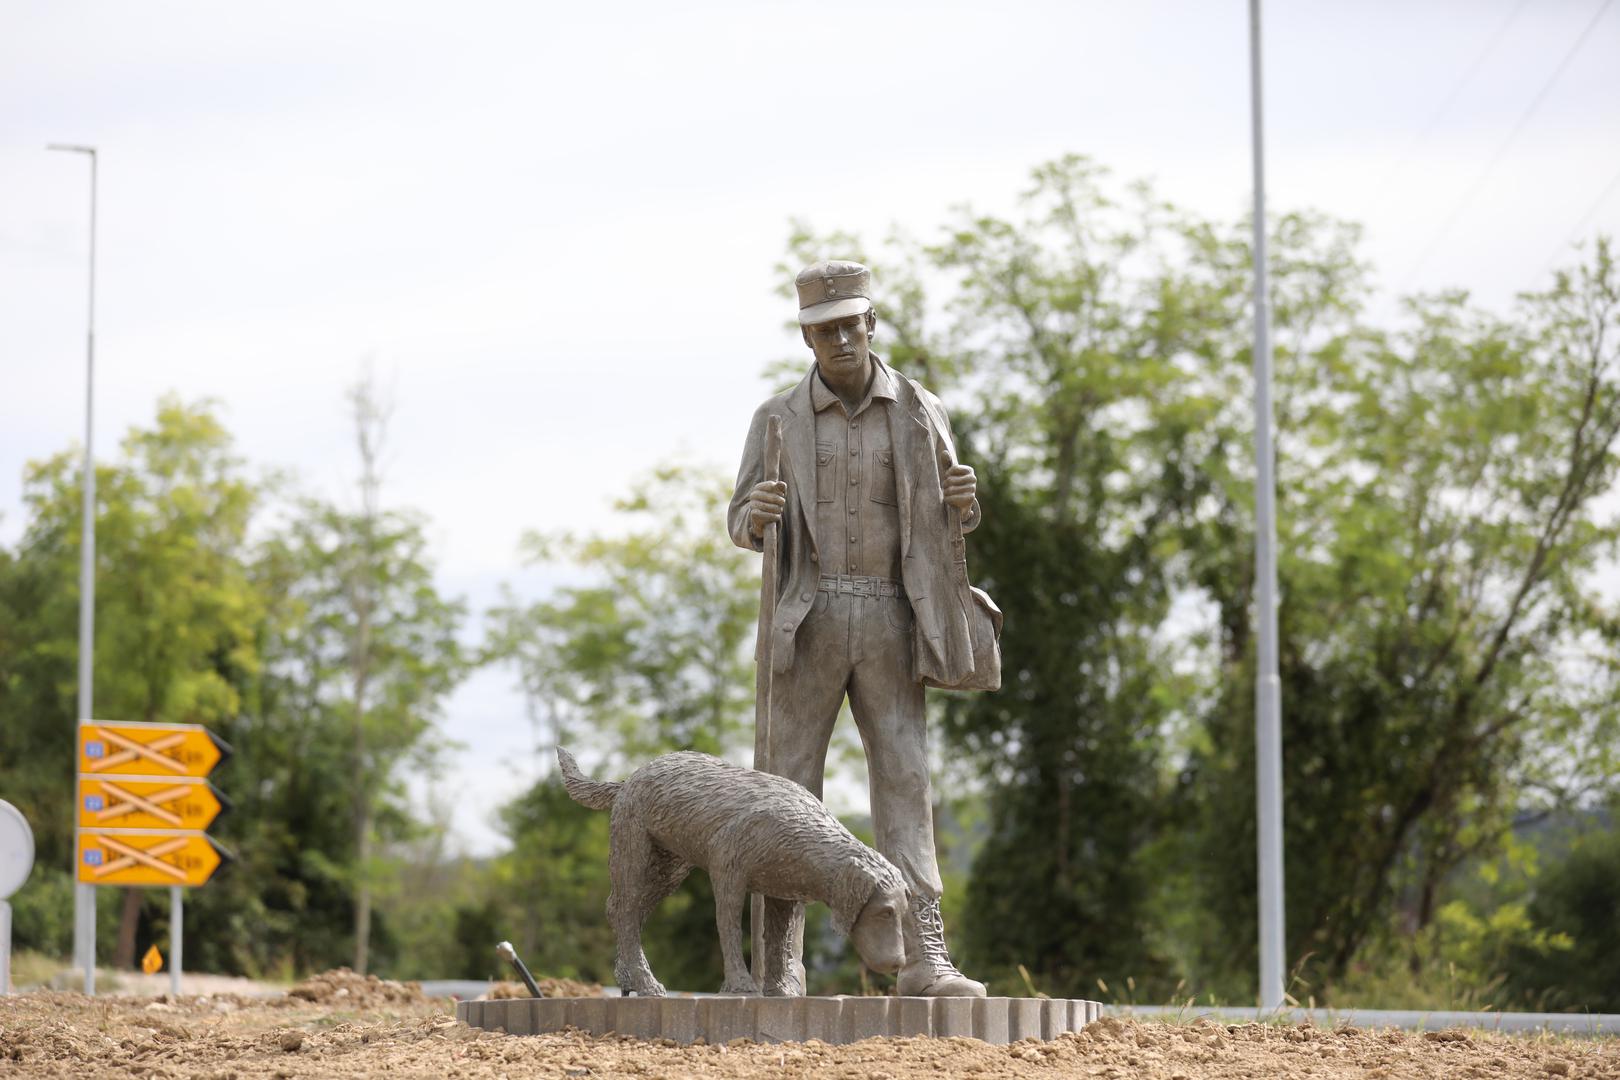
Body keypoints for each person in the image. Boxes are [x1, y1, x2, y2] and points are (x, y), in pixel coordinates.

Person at [728, 259, 989, 998]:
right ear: (807, 338)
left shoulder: (916, 408)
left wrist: (966, 505)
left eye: (851, 324)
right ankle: (780, 961)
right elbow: (737, 518)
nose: (841, 339)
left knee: (905, 782)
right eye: (824, 330)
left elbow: (948, 524)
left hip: (891, 616)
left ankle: (923, 957)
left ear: (871, 324)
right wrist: (756, 518)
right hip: (804, 620)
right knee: (785, 792)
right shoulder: (775, 419)